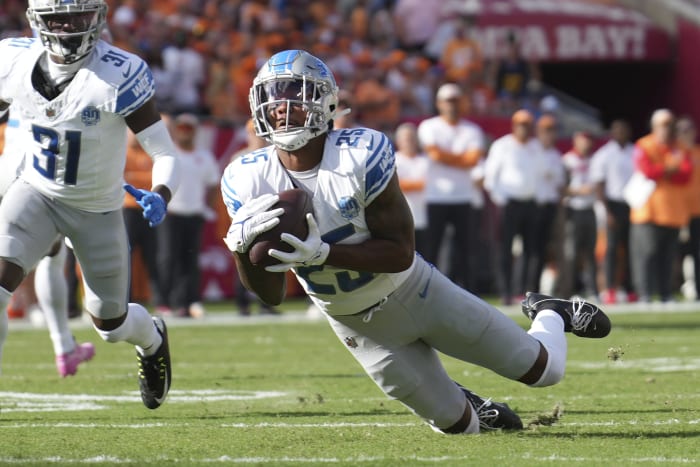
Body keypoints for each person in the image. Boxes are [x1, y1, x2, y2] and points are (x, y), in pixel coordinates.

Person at [221, 49, 611, 435]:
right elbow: (270, 295)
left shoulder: (358, 154)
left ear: (325, 101)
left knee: (545, 371)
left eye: (295, 93)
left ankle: (552, 312)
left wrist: (324, 253)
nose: (282, 106)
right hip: (353, 321)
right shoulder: (247, 178)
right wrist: (242, 251)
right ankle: (469, 404)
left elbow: (399, 253)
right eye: (274, 96)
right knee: (460, 428)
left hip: (414, 291)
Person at [0, 0, 179, 408]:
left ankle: (151, 338)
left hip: (96, 209)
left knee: (110, 324)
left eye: (78, 16)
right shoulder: (11, 60)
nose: (67, 27)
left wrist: (162, 192)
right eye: (57, 18)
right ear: (37, 22)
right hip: (36, 193)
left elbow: (165, 153)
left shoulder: (117, 73)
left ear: (97, 18)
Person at [0, 106, 94, 377]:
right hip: (31, 176)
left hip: (9, 170)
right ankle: (63, 345)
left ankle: (65, 344)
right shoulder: (51, 76)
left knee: (53, 254)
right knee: (50, 256)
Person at [417, 83, 484, 289]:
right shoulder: (429, 126)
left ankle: (467, 290)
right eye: (448, 101)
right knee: (432, 248)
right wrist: (460, 159)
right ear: (439, 103)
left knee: (465, 249)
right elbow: (435, 154)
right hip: (436, 196)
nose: (451, 105)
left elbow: (472, 160)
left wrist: (446, 158)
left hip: (463, 196)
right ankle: (428, 289)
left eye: (455, 100)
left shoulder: (472, 129)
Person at [156, 113, 219, 318]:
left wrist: (206, 207)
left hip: (194, 213)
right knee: (167, 258)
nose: (185, 132)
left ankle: (190, 301)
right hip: (171, 212)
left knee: (190, 260)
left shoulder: (204, 156)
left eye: (189, 129)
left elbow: (212, 184)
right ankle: (165, 302)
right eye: (181, 128)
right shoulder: (170, 155)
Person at [630, 109, 692, 303]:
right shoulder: (644, 144)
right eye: (663, 125)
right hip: (648, 211)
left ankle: (666, 293)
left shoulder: (680, 147)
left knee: (669, 257)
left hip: (674, 213)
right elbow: (647, 170)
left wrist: (664, 171)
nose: (667, 129)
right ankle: (645, 293)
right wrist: (669, 169)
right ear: (654, 127)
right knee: (647, 255)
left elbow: (686, 175)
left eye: (670, 125)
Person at [484, 110, 540, 304]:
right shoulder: (502, 146)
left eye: (527, 125)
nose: (524, 128)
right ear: (514, 125)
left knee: (531, 249)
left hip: (530, 202)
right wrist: (500, 199)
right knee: (505, 248)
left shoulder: (536, 146)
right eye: (521, 124)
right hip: (509, 203)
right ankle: (506, 291)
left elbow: (539, 175)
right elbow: (490, 176)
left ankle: (525, 291)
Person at [229, 119, 281, 316]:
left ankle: (267, 304)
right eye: (254, 133)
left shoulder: (274, 155)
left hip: (269, 211)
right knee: (243, 257)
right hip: (246, 214)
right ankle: (242, 304)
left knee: (271, 258)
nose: (257, 137)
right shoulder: (239, 157)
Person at [589, 120, 636, 304]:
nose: (622, 133)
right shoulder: (604, 155)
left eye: (625, 130)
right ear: (612, 133)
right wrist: (606, 211)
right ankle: (609, 289)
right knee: (612, 248)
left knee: (631, 248)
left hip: (632, 203)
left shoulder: (635, 151)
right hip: (613, 204)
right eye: (618, 130)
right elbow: (599, 185)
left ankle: (630, 288)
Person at [559, 131, 599, 300]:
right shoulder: (567, 160)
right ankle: (570, 291)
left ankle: (593, 290)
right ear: (576, 141)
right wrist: (577, 191)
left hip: (590, 208)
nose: (586, 145)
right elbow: (560, 187)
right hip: (573, 209)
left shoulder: (594, 160)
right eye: (583, 141)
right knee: (572, 252)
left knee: (591, 251)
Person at [123, 127, 160, 304]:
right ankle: (126, 299)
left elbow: (154, 179)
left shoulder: (150, 154)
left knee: (152, 256)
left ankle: (160, 299)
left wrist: (134, 178)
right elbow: (121, 179)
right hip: (127, 209)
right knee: (125, 256)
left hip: (147, 209)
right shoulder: (122, 154)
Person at [531, 114, 565, 293]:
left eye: (552, 131)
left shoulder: (556, 155)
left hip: (550, 207)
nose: (549, 135)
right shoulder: (531, 150)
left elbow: (559, 185)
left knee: (547, 250)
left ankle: (543, 288)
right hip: (533, 206)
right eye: (546, 130)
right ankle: (525, 287)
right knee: (530, 250)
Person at [394, 122, 429, 257]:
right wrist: (420, 185)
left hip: (424, 219)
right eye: (407, 139)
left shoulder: (426, 161)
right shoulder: (393, 159)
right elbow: (396, 185)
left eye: (413, 138)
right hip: (401, 221)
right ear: (398, 141)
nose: (411, 142)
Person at [677, 117, 700, 300]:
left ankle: (695, 287)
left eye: (689, 130)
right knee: (682, 252)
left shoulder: (697, 152)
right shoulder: (676, 153)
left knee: (696, 252)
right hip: (678, 212)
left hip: (697, 211)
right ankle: (685, 285)